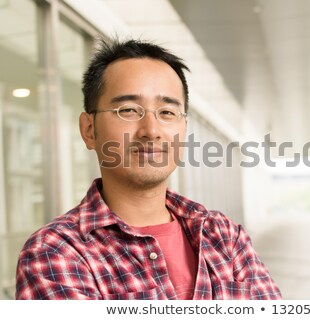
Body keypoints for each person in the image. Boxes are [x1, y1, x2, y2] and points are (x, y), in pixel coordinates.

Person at [15, 38, 282, 300]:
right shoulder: (56, 251)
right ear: (88, 130)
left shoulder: (224, 236)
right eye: (128, 110)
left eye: (167, 112)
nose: (151, 131)